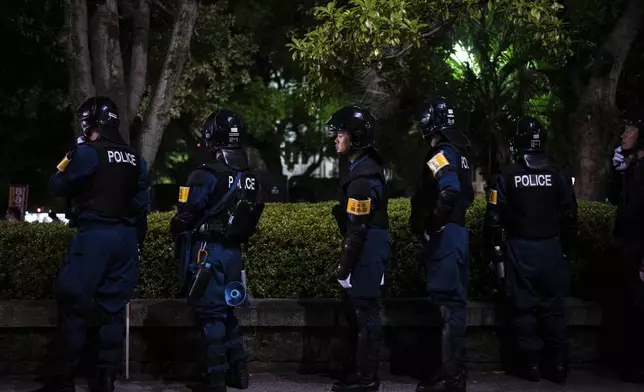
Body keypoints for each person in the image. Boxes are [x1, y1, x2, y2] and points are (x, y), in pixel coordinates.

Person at [34, 96, 150, 392]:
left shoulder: (87, 152)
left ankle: (61, 381)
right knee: (112, 308)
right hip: (125, 239)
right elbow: (141, 205)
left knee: (73, 303)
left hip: (96, 235)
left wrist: (70, 155)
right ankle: (105, 380)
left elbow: (57, 184)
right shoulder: (136, 159)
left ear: (90, 124)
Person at [170, 109, 264, 392]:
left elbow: (184, 216)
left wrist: (177, 225)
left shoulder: (204, 175)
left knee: (212, 317)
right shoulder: (252, 178)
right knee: (228, 315)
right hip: (234, 255)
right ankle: (240, 374)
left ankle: (215, 381)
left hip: (207, 254)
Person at [483, 117, 577, 384]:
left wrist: (493, 254)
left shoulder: (505, 176)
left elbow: (493, 220)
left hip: (520, 249)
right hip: (552, 249)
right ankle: (558, 365)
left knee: (523, 307)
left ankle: (531, 366)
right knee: (554, 309)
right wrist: (565, 251)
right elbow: (570, 216)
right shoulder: (559, 175)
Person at [409, 97, 473, 392]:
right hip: (456, 234)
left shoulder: (440, 154)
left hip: (445, 235)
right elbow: (467, 196)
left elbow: (449, 193)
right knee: (451, 306)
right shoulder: (460, 153)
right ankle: (449, 372)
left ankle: (451, 379)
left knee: (448, 307)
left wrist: (432, 226)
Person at [328, 105, 391, 392]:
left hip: (368, 248)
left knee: (367, 313)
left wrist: (343, 266)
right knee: (360, 312)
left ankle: (368, 380)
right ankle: (359, 373)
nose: (336, 138)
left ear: (356, 136)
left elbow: (357, 228)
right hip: (367, 245)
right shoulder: (360, 168)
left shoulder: (363, 176)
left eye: (340, 133)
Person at [608, 108, 644, 383]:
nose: (624, 134)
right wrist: (618, 170)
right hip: (628, 247)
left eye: (629, 130)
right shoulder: (633, 167)